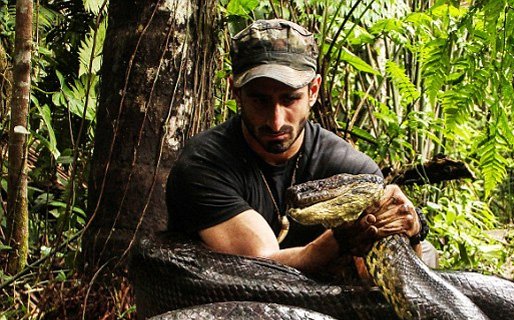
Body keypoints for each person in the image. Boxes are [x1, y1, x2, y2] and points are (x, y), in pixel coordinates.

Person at [166, 18, 438, 277]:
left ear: (314, 91)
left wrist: (411, 229)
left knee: (427, 252)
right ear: (236, 92)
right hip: (220, 306)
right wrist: (338, 241)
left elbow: (393, 272)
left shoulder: (352, 171)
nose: (276, 121)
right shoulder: (203, 165)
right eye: (260, 100)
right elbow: (258, 268)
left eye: (289, 99)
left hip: (320, 308)